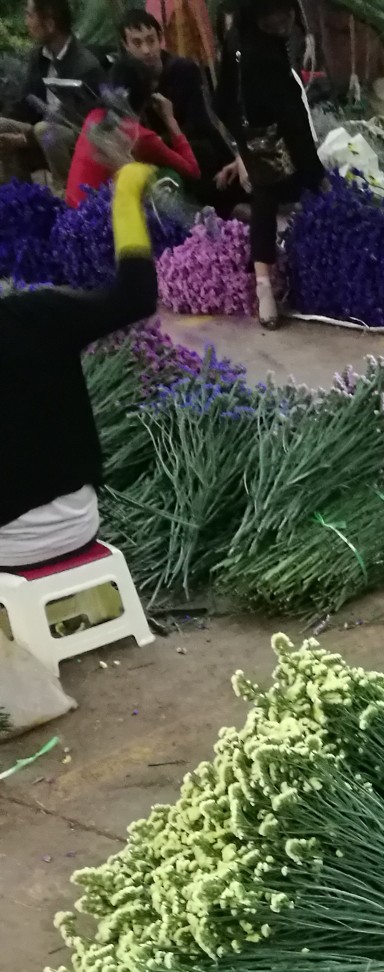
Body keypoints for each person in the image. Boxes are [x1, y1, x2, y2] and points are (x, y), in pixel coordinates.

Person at [0, 162, 158, 568]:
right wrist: (125, 198)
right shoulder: (36, 313)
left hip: (9, 546)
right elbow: (135, 298)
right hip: (78, 523)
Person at [215, 0, 325, 328]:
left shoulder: (238, 36)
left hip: (253, 139)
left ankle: (264, 289)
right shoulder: (267, 57)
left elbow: (222, 100)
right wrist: (317, 176)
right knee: (303, 195)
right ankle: (311, 271)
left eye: (287, 12)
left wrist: (243, 142)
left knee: (264, 198)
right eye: (275, 15)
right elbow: (294, 122)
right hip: (279, 142)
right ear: (258, 15)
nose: (284, 20)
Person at [116, 6, 237, 195]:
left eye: (151, 41)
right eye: (137, 43)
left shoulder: (182, 71)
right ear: (126, 46)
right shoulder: (123, 78)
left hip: (187, 148)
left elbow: (200, 124)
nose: (147, 50)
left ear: (160, 39)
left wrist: (159, 139)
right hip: (146, 152)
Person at [65, 56, 199, 205]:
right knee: (169, 175)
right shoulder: (140, 137)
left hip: (72, 215)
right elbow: (192, 171)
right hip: (99, 221)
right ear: (146, 97)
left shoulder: (94, 116)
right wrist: (170, 120)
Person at [0, 0, 104, 185]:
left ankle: (63, 193)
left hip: (72, 137)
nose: (27, 22)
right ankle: (16, 195)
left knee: (46, 130)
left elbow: (71, 120)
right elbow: (24, 102)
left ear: (49, 24)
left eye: (30, 15)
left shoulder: (85, 66)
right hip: (38, 131)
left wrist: (24, 139)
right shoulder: (39, 56)